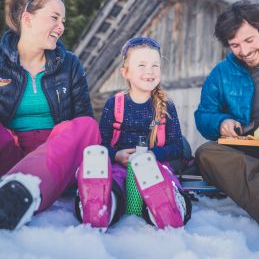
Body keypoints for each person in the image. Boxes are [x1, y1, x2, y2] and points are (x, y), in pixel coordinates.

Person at [0, 0, 100, 230]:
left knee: (86, 125)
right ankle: (11, 190)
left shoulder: (69, 65)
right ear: (27, 19)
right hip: (10, 154)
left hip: (58, 157)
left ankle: (20, 192)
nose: (61, 27)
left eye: (63, 20)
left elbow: (83, 125)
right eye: (55, 18)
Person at [194, 1, 259, 241]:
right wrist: (221, 123)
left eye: (249, 40)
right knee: (207, 153)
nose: (244, 51)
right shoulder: (221, 74)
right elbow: (203, 115)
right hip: (250, 155)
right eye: (235, 45)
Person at [76, 36, 192, 231]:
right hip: (120, 164)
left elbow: (177, 147)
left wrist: (152, 155)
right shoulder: (114, 104)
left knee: (164, 177)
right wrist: (116, 156)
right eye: (142, 65)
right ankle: (102, 204)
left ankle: (169, 208)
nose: (150, 71)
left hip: (154, 166)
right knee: (115, 181)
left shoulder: (166, 106)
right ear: (126, 72)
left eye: (155, 65)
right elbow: (103, 144)